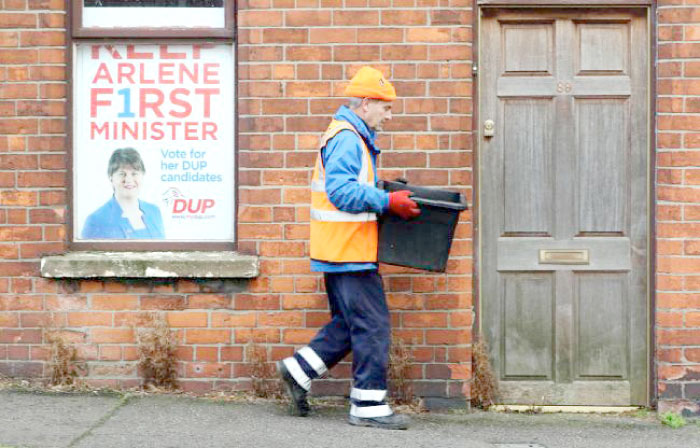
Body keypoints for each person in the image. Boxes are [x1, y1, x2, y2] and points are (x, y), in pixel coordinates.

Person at [278, 66, 421, 430]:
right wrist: (387, 201)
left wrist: (384, 193)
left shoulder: (351, 134)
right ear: (366, 104)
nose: (389, 116)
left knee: (350, 322)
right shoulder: (347, 138)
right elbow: (340, 192)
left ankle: (298, 370)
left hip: (341, 250)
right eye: (385, 108)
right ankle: (369, 406)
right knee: (372, 325)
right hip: (348, 251)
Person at [81, 147, 165, 239]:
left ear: (142, 175)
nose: (128, 180)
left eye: (134, 173)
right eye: (122, 174)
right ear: (111, 177)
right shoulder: (96, 221)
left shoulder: (154, 212)